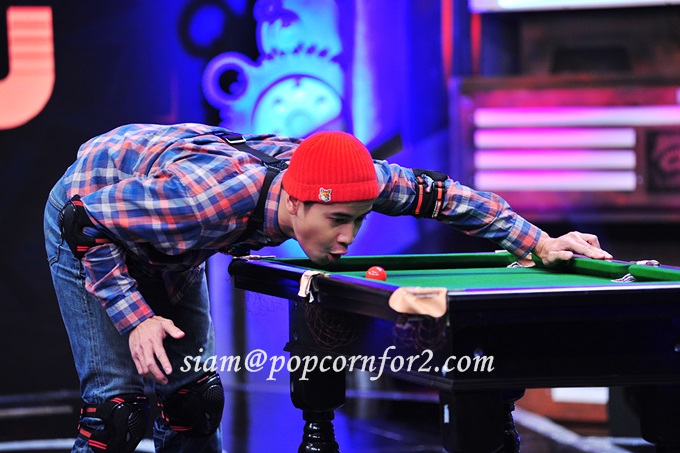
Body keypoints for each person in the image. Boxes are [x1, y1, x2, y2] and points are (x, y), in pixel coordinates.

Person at [44, 123, 612, 453]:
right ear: (295, 203)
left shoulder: (354, 178)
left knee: (193, 401)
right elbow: (84, 223)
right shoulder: (202, 202)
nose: (348, 237)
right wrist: (136, 317)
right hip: (91, 214)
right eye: (337, 220)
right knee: (117, 413)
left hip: (169, 241)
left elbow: (447, 197)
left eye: (358, 220)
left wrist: (538, 242)